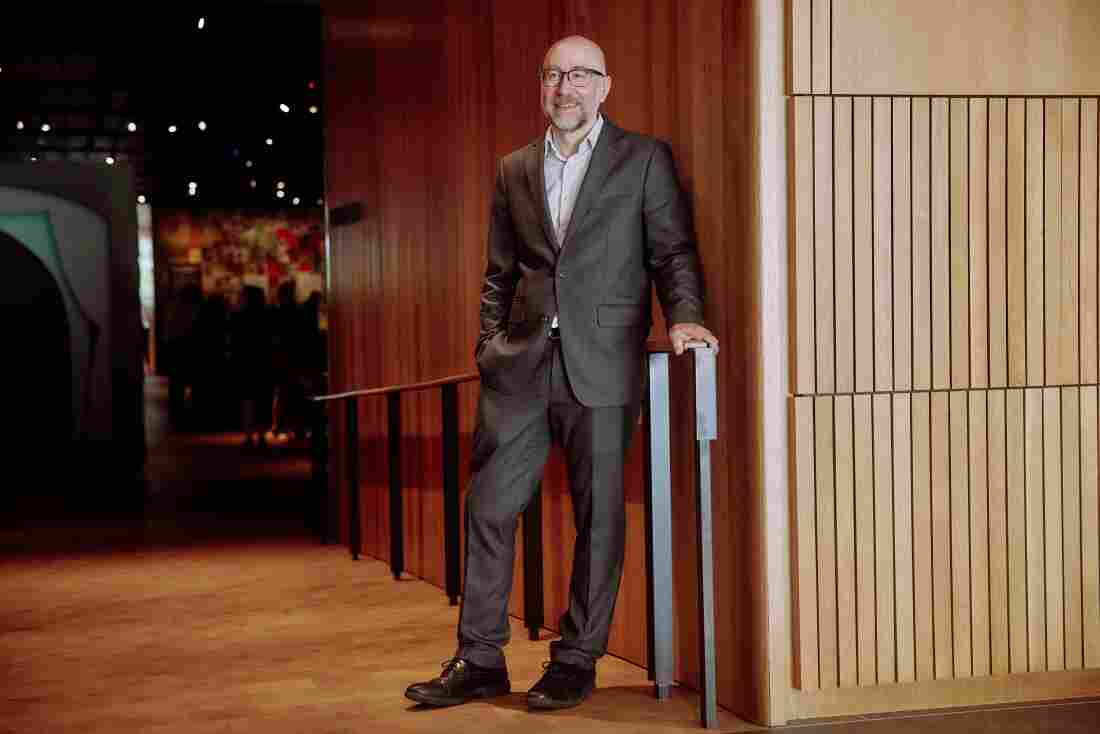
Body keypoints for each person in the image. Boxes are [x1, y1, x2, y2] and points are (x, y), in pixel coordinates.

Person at [405, 35, 718, 712]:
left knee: (598, 516)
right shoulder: (514, 168)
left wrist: (685, 316)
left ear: (604, 86)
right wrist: (489, 344)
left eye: (579, 75)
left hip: (602, 364)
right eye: (553, 75)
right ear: (541, 86)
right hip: (520, 367)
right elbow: (499, 272)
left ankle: (576, 658)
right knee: (487, 506)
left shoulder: (643, 160)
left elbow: (672, 251)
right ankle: (479, 657)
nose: (565, 86)